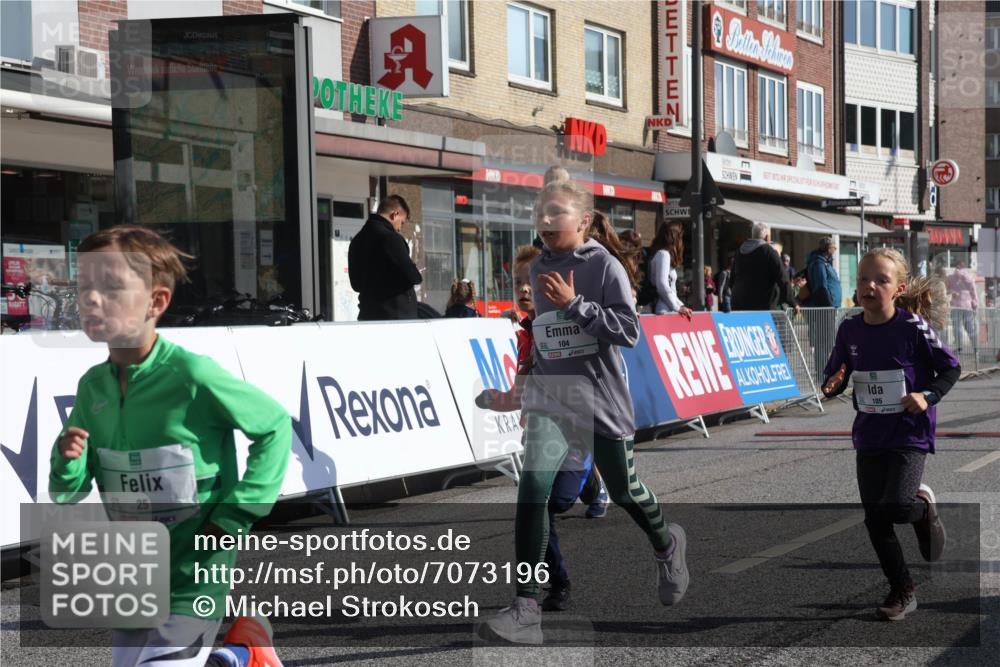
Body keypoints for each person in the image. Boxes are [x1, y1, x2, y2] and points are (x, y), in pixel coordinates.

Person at [50, 226, 291, 667]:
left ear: (156, 301)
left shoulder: (191, 375)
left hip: (196, 572)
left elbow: (274, 426)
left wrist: (237, 513)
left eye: (110, 287)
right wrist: (67, 461)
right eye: (83, 286)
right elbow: (67, 491)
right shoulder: (92, 387)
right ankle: (243, 653)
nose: (91, 299)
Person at [479, 178, 688, 645]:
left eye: (557, 213)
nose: (546, 221)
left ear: (584, 220)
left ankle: (667, 543)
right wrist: (526, 385)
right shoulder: (538, 267)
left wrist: (575, 305)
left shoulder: (604, 266)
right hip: (553, 398)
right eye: (541, 214)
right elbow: (544, 336)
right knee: (532, 489)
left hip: (600, 398)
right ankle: (527, 607)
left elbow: (629, 332)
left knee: (626, 491)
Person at [821, 247, 959, 621]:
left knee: (897, 506)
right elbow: (835, 375)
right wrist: (833, 383)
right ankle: (902, 589)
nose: (869, 286)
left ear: (898, 289)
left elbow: (950, 369)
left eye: (881, 280)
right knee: (875, 518)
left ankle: (923, 509)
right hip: (869, 433)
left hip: (909, 432)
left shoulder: (912, 327)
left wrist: (927, 396)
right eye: (864, 279)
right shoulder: (849, 329)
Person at [475, 244, 608, 613]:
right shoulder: (524, 334)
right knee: (540, 507)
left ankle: (591, 478)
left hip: (576, 433)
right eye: (518, 282)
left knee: (558, 501)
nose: (523, 288)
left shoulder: (569, 327)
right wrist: (496, 399)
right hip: (540, 434)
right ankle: (557, 582)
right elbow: (519, 392)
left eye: (530, 282)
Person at [348, 195, 422, 321]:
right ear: (395, 214)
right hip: (396, 316)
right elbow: (414, 277)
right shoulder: (391, 238)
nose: (399, 229)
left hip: (367, 314)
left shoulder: (356, 241)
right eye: (401, 222)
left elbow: (356, 285)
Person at [731, 222, 798, 312]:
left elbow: (732, 279)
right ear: (767, 237)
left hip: (739, 304)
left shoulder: (739, 251)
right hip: (762, 306)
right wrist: (793, 302)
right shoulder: (768, 251)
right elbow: (782, 278)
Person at [803, 237, 843, 381]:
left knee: (826, 343)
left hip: (827, 308)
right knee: (822, 343)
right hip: (823, 309)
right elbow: (821, 287)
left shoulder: (825, 262)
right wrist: (830, 307)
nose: (835, 250)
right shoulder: (819, 263)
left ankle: (825, 371)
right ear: (828, 248)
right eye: (834, 247)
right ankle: (822, 373)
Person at [648, 221, 693, 318]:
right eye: (680, 236)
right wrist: (678, 307)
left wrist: (680, 305)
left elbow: (668, 288)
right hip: (664, 310)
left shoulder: (661, 253)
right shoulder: (663, 254)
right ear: (674, 237)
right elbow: (662, 284)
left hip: (667, 308)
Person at [945, 260, 978, 354]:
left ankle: (959, 347)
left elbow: (947, 290)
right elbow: (973, 291)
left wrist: (952, 292)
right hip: (968, 306)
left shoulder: (950, 278)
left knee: (957, 328)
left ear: (956, 267)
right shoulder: (970, 277)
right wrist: (975, 303)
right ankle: (976, 347)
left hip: (955, 306)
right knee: (970, 327)